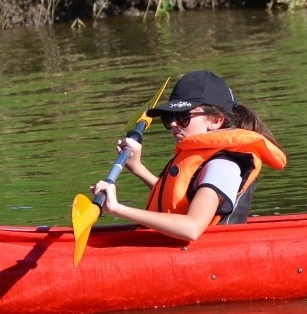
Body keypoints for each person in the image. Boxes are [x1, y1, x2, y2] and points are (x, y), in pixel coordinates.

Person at [93, 70, 287, 241]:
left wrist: (118, 209)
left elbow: (192, 228)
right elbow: (183, 200)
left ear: (216, 121)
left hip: (206, 255)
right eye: (170, 118)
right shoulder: (203, 157)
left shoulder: (223, 165)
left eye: (184, 117)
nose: (174, 124)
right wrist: (138, 168)